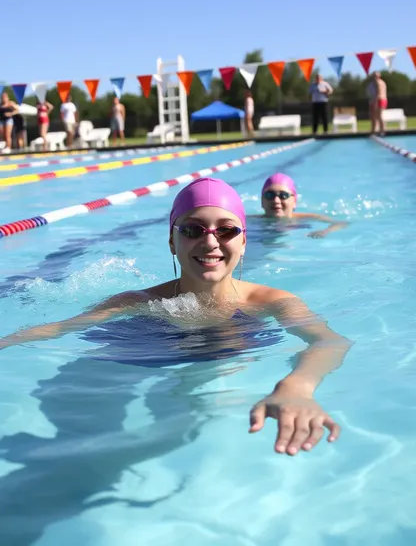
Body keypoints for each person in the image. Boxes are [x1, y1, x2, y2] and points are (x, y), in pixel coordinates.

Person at [0, 177, 351, 456]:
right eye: (192, 229)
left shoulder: (272, 301)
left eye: (226, 230)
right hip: (146, 347)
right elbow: (59, 328)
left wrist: (295, 387)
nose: (210, 241)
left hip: (230, 351)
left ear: (244, 242)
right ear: (172, 241)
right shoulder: (137, 301)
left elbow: (328, 340)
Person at [261, 173, 348, 238]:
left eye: (283, 195)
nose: (276, 200)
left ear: (294, 201)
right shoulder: (250, 221)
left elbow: (341, 223)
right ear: (262, 201)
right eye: (269, 195)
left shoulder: (308, 218)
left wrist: (325, 231)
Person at [367, 72, 387, 136]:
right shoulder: (383, 82)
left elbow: (378, 93)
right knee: (378, 116)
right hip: (384, 100)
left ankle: (378, 131)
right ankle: (379, 131)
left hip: (378, 100)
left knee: (376, 116)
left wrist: (375, 102)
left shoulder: (377, 82)